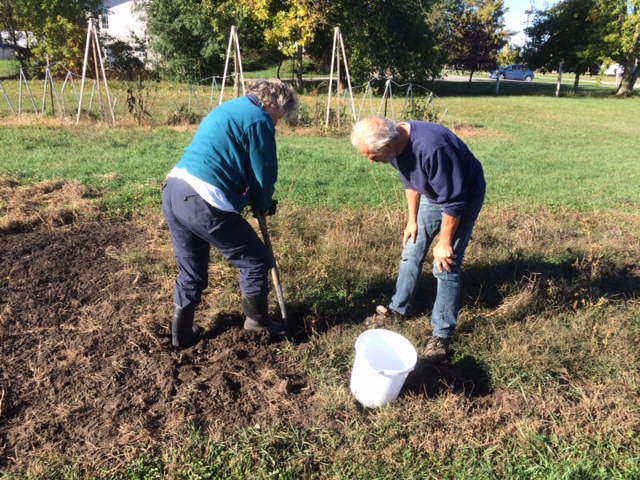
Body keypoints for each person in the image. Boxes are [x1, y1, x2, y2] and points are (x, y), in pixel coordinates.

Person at [162, 79, 299, 348]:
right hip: (204, 199)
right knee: (256, 260)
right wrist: (262, 202)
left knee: (191, 270)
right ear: (273, 104)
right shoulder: (258, 119)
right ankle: (257, 322)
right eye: (280, 116)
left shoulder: (228, 108)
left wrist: (251, 198)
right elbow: (263, 172)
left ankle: (181, 334)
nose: (278, 122)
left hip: (175, 190)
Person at [350, 116, 486, 364]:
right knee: (412, 249)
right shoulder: (394, 145)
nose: (370, 160)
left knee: (445, 265)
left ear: (387, 145)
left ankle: (442, 335)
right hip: (433, 194)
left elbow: (454, 202)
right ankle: (397, 309)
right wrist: (412, 220)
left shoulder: (433, 149)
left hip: (462, 197)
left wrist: (444, 242)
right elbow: (410, 181)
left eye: (371, 155)